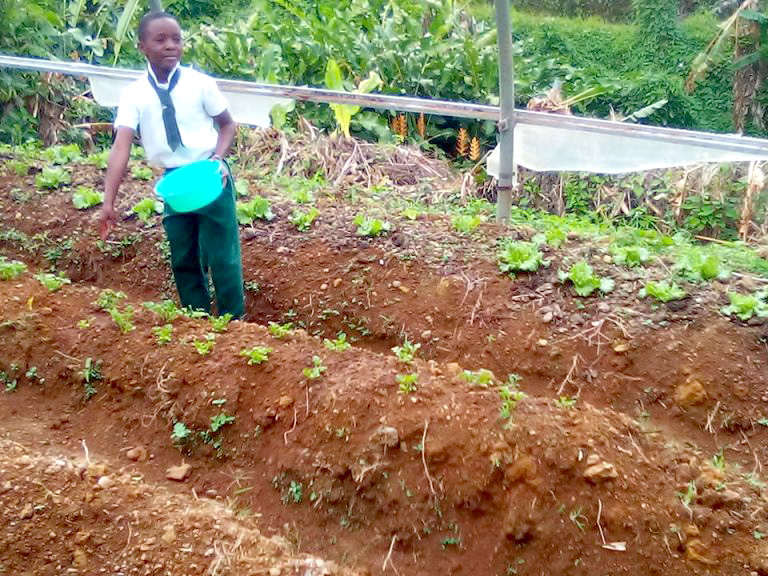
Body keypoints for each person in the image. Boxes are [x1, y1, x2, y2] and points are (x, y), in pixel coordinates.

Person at [99, 11, 244, 318]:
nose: (170, 46)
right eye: (160, 39)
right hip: (176, 183)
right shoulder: (135, 94)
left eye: (176, 39)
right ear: (142, 47)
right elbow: (121, 146)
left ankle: (234, 327)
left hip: (209, 174)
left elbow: (228, 125)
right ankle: (197, 321)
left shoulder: (201, 84)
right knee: (183, 256)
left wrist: (218, 158)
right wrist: (108, 201)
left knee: (223, 257)